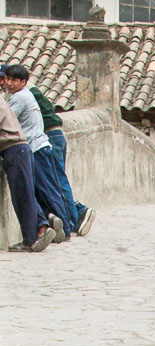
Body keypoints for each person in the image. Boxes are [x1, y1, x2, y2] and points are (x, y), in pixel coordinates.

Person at [1, 64, 72, 241]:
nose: (7, 83)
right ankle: (52, 224)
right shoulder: (22, 95)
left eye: (12, 80)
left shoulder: (18, 98)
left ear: (23, 82)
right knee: (45, 189)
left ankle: (60, 228)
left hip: (33, 146)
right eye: (6, 79)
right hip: (36, 144)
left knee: (44, 190)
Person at [29, 81, 95, 236]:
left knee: (57, 182)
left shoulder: (22, 92)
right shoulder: (30, 88)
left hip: (49, 136)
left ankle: (71, 221)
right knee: (56, 181)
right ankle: (78, 210)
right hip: (56, 135)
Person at [0, 95, 54, 252]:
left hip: (14, 149)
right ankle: (42, 226)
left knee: (22, 196)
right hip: (19, 149)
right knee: (26, 193)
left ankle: (30, 239)